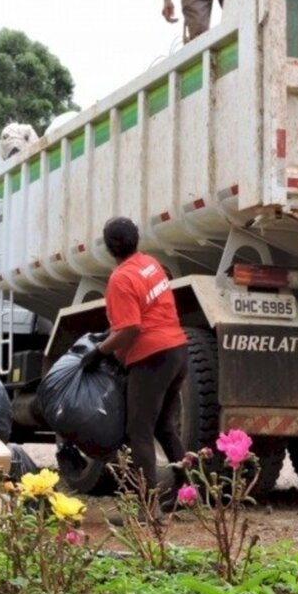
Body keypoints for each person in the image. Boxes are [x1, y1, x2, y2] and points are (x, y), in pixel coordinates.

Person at [82, 216, 188, 507]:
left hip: (152, 357)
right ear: (137, 239)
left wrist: (99, 352)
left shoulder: (120, 278)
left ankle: (148, 506)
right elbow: (145, 312)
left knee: (138, 431)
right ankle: (187, 494)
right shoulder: (150, 264)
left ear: (108, 247)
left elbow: (131, 329)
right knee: (165, 427)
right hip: (177, 350)